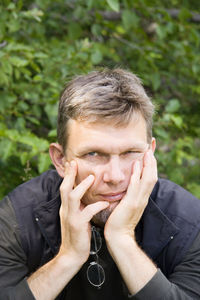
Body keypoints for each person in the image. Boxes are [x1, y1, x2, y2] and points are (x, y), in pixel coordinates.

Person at [0, 68, 200, 300]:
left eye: (130, 152)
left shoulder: (188, 220)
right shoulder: (19, 218)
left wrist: (122, 238)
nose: (115, 176)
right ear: (60, 160)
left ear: (150, 152)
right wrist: (68, 257)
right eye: (94, 154)